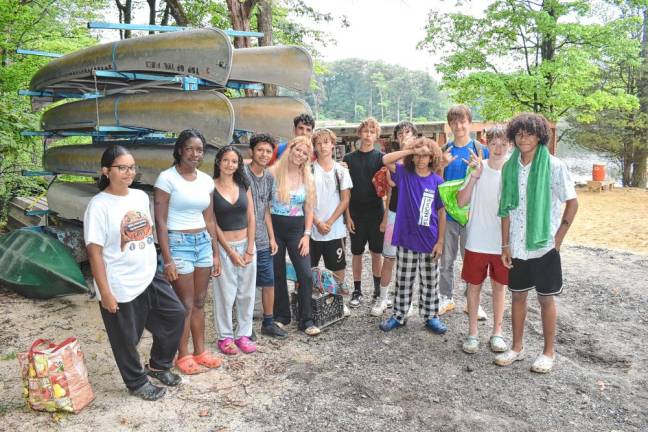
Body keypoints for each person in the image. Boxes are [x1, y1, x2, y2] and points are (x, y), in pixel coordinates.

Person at [84, 145, 185, 401]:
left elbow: (146, 235)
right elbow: (94, 253)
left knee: (175, 315)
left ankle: (159, 365)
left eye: (132, 167)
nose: (129, 172)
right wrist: (104, 292)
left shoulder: (140, 197)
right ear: (106, 171)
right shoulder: (98, 206)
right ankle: (137, 382)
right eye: (122, 168)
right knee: (126, 338)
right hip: (120, 282)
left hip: (150, 274)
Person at [495, 113, 578, 373]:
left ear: (540, 135)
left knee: (545, 299)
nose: (524, 138)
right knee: (518, 296)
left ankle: (548, 352)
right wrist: (505, 245)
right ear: (513, 136)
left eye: (530, 133)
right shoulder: (509, 167)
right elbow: (505, 209)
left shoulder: (553, 166)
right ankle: (517, 347)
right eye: (519, 133)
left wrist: (558, 239)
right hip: (518, 245)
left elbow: (572, 202)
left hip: (544, 245)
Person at [154, 129, 222, 375]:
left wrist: (215, 253)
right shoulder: (167, 179)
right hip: (178, 242)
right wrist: (168, 259)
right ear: (180, 150)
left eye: (200, 150)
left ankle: (200, 351)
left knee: (201, 301)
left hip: (203, 241)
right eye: (190, 148)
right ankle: (182, 355)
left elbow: (210, 218)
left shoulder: (205, 180)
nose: (195, 154)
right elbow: (160, 222)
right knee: (185, 303)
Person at [378, 138, 447, 334]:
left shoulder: (437, 181)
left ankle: (431, 316)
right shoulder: (404, 174)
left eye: (425, 154)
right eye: (417, 155)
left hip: (429, 240)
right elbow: (386, 160)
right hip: (407, 238)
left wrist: (440, 241)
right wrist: (409, 150)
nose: (420, 159)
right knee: (404, 279)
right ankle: (399, 315)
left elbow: (441, 213)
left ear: (432, 157)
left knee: (430, 281)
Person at [457, 127, 511, 354]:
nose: (498, 148)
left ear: (510, 145)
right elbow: (461, 201)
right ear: (486, 144)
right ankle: (472, 333)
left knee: (500, 288)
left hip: (502, 242)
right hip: (477, 239)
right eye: (494, 143)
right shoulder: (479, 168)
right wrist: (474, 177)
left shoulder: (512, 172)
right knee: (474, 287)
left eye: (503, 143)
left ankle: (497, 333)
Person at [438, 105, 489, 320]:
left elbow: (488, 181)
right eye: (454, 122)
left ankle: (472, 301)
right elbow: (436, 181)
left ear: (469, 123)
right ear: (449, 125)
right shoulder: (445, 150)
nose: (459, 126)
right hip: (449, 214)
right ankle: (445, 297)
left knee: (472, 259)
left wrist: (480, 166)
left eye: (462, 121)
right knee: (446, 259)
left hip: (472, 214)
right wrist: (442, 164)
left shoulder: (480, 149)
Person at [269, 136, 320, 336]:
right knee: (278, 272)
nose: (299, 155)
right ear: (290, 149)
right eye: (297, 150)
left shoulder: (308, 177)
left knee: (305, 274)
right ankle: (282, 315)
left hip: (297, 229)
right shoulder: (272, 173)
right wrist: (270, 236)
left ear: (308, 157)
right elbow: (264, 205)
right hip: (275, 228)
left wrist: (307, 235)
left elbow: (309, 209)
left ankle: (306, 319)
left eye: (304, 153)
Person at [212, 146, 257, 355]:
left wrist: (249, 248)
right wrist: (229, 252)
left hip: (246, 245)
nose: (230, 165)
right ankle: (225, 336)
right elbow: (212, 223)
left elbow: (251, 216)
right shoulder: (210, 187)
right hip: (225, 248)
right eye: (226, 160)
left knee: (246, 293)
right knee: (225, 294)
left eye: (234, 161)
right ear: (219, 162)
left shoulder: (243, 185)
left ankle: (243, 335)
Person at [372, 121, 417, 317]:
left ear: (415, 135)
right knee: (389, 258)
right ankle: (382, 298)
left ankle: (407, 301)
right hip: (394, 213)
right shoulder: (396, 159)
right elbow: (385, 162)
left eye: (407, 133)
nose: (403, 137)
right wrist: (384, 217)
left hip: (413, 217)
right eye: (399, 134)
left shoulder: (422, 158)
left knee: (410, 261)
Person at [244, 134, 286, 339]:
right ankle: (245, 325)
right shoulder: (241, 174)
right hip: (242, 238)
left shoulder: (269, 177)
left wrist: (272, 237)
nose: (264, 154)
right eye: (260, 149)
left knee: (268, 281)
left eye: (268, 151)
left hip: (262, 239)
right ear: (251, 151)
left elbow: (266, 209)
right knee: (246, 283)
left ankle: (268, 323)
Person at [310, 128, 353, 315]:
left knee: (337, 267)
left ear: (333, 145)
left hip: (335, 230)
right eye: (319, 143)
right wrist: (318, 222)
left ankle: (337, 301)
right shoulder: (309, 170)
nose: (323, 146)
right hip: (311, 229)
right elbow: (304, 201)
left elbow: (345, 199)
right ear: (315, 147)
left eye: (326, 142)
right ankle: (307, 301)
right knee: (308, 268)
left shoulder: (341, 171)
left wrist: (329, 221)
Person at [343, 117, 384, 309]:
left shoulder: (381, 158)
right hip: (355, 212)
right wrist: (347, 216)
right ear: (359, 133)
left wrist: (385, 218)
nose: (368, 135)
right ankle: (357, 289)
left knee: (377, 252)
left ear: (376, 135)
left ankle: (378, 288)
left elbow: (387, 189)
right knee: (357, 252)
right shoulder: (348, 159)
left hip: (376, 211)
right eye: (365, 131)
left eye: (372, 132)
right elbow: (345, 191)